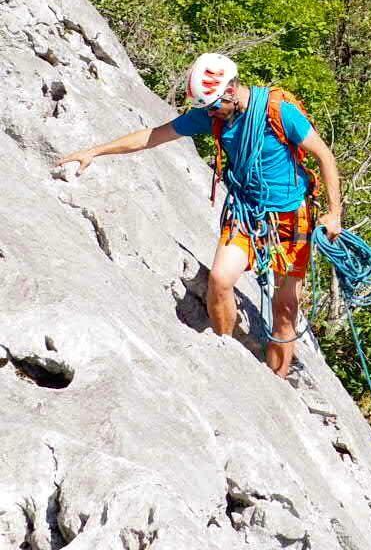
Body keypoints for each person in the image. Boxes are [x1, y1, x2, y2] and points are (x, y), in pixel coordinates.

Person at [56, 52, 343, 378]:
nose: (209, 114)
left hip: (292, 217)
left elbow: (324, 156)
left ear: (231, 91)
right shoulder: (213, 115)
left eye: (212, 106)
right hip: (248, 213)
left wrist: (334, 213)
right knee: (220, 280)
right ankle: (225, 358)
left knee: (286, 307)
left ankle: (276, 381)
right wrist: (94, 151)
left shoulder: (278, 112)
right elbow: (152, 136)